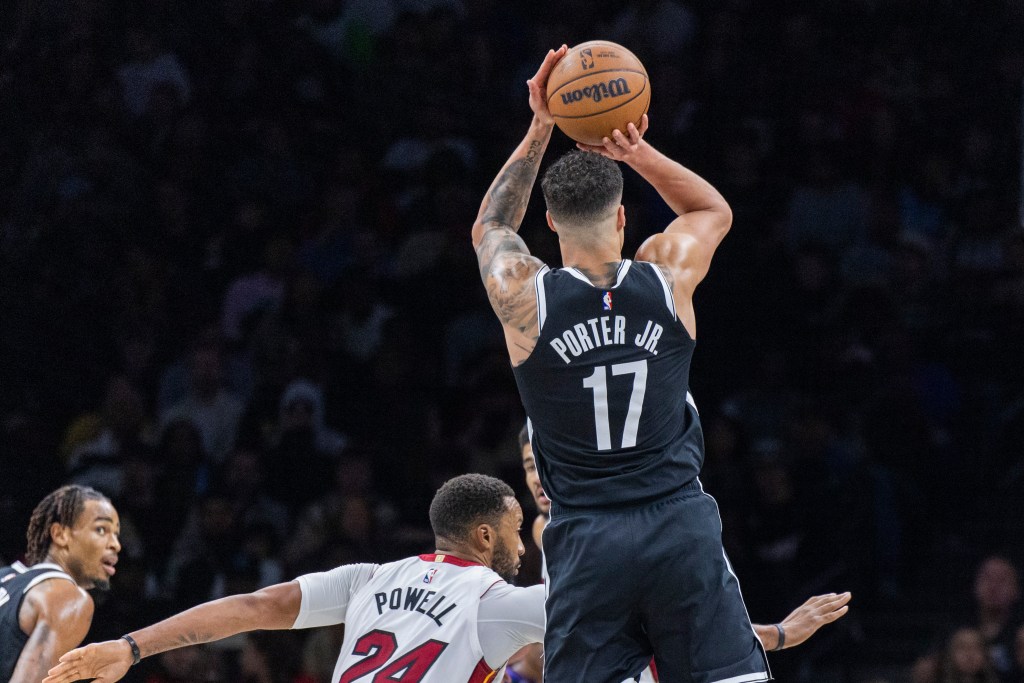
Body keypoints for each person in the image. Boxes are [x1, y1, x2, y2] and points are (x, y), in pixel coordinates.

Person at [472, 45, 843, 681]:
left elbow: (491, 225)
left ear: (553, 222)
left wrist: (540, 125)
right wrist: (632, 148)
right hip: (676, 523)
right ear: (621, 216)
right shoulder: (666, 275)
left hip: (586, 539)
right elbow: (712, 211)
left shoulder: (525, 298)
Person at [43, 473, 545, 683]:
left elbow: (250, 607)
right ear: (484, 535)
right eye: (517, 531)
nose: (523, 546)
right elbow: (611, 606)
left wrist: (131, 647)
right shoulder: (497, 601)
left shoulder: (368, 578)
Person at [517, 425, 852, 682]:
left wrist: (779, 635)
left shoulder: (634, 535)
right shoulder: (542, 532)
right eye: (532, 466)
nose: (539, 479)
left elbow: (692, 628)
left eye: (548, 464)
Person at [0, 484, 121, 683]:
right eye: (101, 529)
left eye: (116, 534)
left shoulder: (5, 575)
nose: (115, 544)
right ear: (60, 534)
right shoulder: (68, 597)